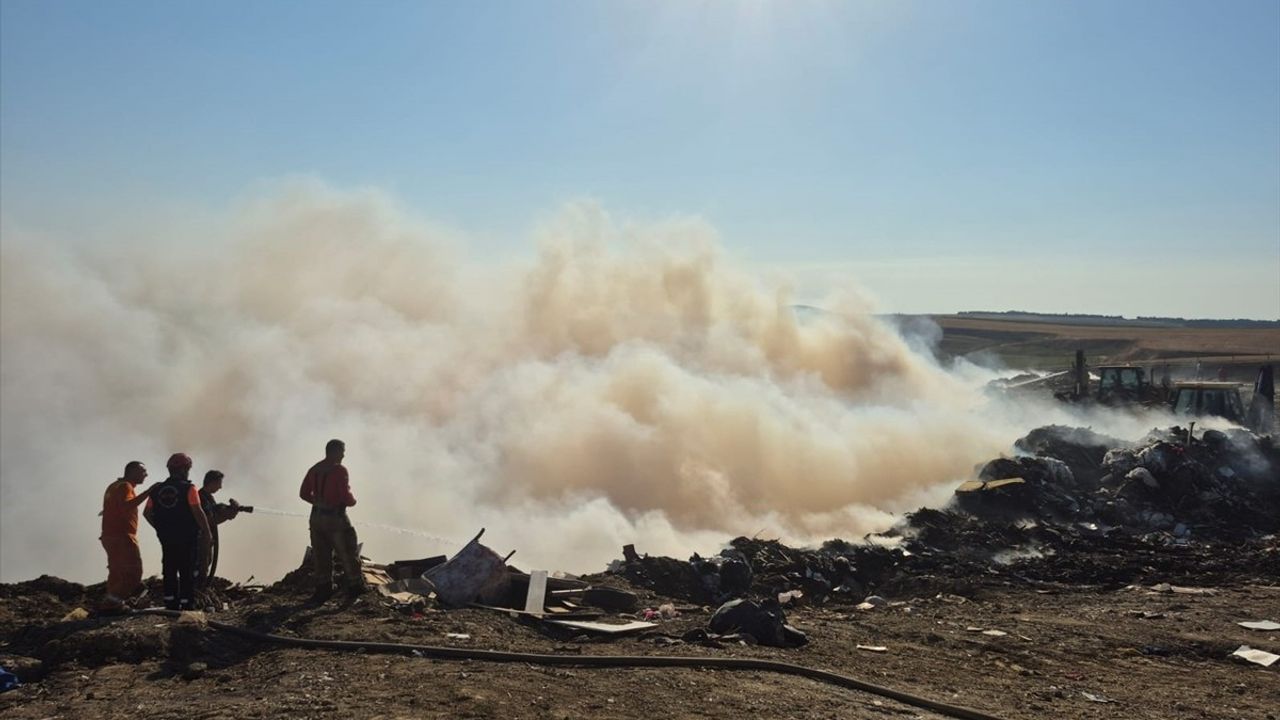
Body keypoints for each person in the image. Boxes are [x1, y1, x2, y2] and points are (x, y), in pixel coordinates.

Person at [299, 439, 366, 601]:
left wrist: (318, 503)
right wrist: (352, 502)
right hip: (335, 519)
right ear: (335, 451)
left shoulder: (314, 469)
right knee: (348, 552)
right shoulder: (339, 470)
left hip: (316, 518)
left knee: (321, 555)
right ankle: (355, 587)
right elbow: (345, 496)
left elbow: (303, 493)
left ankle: (323, 588)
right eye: (342, 451)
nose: (344, 455)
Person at [144, 453, 212, 610]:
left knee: (169, 567)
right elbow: (198, 511)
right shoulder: (189, 488)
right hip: (187, 537)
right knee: (187, 569)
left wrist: (160, 528)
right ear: (185, 469)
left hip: (166, 537)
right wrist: (206, 532)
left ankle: (170, 602)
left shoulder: (157, 490)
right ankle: (187, 603)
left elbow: (147, 513)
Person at [99, 461, 155, 612]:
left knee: (117, 572)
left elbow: (114, 507)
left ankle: (111, 604)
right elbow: (126, 506)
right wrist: (149, 491)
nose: (146, 475)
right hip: (122, 536)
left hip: (109, 536)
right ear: (132, 472)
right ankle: (114, 603)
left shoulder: (114, 486)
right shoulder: (125, 486)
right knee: (134, 572)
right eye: (143, 471)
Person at [195, 469, 245, 592]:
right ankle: (195, 593)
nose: (221, 487)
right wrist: (228, 515)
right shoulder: (200, 497)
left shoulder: (208, 497)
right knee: (200, 567)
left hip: (206, 539)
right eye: (219, 483)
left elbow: (214, 512)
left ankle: (198, 591)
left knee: (206, 563)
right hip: (200, 540)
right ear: (211, 482)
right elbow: (208, 520)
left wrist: (227, 511)